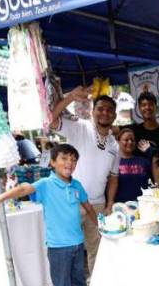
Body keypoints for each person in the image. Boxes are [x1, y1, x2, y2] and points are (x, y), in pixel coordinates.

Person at [0, 144, 96, 286]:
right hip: (58, 248)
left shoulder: (76, 185)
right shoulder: (46, 184)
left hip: (78, 245)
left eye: (73, 159)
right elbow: (24, 189)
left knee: (79, 285)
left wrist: (99, 225)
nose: (69, 162)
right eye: (64, 158)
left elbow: (87, 205)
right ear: (53, 162)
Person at [50, 87, 120, 275]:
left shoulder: (115, 145)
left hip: (97, 205)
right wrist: (70, 97)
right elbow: (51, 120)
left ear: (114, 115)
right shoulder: (80, 127)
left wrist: (110, 203)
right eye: (100, 108)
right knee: (67, 251)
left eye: (109, 110)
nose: (104, 113)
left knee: (97, 251)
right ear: (93, 111)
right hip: (70, 202)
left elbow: (113, 178)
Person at [105, 127, 159, 212]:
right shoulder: (112, 162)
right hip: (120, 209)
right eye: (126, 140)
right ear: (118, 141)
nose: (130, 142)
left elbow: (157, 165)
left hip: (143, 207)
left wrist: (150, 151)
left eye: (132, 140)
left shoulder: (144, 161)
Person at [132, 91, 159, 168]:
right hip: (140, 177)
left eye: (150, 104)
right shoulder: (134, 129)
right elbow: (112, 129)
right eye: (144, 105)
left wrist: (150, 151)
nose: (147, 107)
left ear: (156, 107)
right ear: (139, 108)